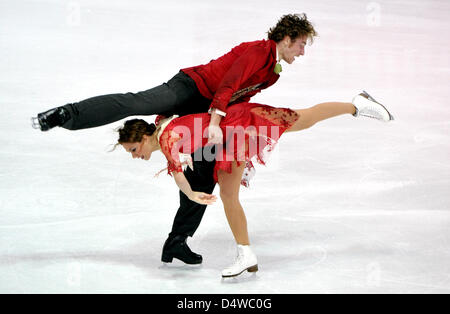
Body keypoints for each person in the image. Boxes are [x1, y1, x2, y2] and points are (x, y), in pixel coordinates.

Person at [31, 14, 319, 266]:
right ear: (287, 37)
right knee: (140, 102)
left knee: (205, 177)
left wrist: (227, 133)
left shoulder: (272, 72)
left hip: (205, 110)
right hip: (192, 87)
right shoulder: (259, 51)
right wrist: (217, 120)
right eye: (302, 43)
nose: (303, 51)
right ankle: (67, 114)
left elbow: (239, 97)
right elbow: (229, 83)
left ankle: (177, 242)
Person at [115, 91, 394, 277]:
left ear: (142, 138)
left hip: (237, 130)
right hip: (235, 125)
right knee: (302, 119)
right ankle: (356, 105)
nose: (134, 156)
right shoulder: (161, 124)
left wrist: (192, 193)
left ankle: (358, 105)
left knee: (302, 120)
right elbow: (182, 130)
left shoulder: (166, 140)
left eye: (132, 149)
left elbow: (177, 173)